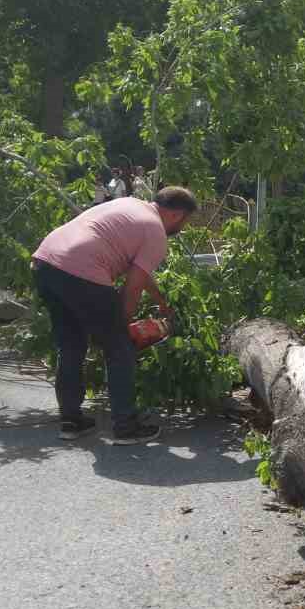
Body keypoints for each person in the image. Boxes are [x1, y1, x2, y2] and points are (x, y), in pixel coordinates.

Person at [30, 186, 198, 444]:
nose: (182, 228)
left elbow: (137, 271)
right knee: (119, 349)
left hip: (46, 264)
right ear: (177, 215)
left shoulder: (129, 204)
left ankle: (71, 421)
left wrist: (160, 301)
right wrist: (122, 327)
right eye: (185, 221)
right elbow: (131, 289)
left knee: (71, 345)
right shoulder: (156, 232)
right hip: (83, 271)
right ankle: (125, 426)